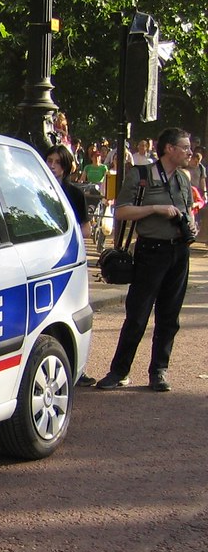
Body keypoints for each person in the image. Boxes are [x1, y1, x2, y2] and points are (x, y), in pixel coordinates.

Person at [96, 128, 198, 392]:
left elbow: (186, 211)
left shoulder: (183, 179)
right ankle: (119, 371)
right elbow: (121, 211)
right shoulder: (141, 175)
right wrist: (155, 209)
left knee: (169, 316)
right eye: (185, 147)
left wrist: (190, 225)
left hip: (179, 252)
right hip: (151, 251)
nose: (190, 152)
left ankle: (159, 371)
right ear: (169, 149)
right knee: (138, 315)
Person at [45, 144, 95, 387]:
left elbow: (85, 229)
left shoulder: (74, 194)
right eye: (49, 161)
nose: (52, 166)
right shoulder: (37, 191)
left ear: (65, 167)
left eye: (57, 162)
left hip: (68, 256)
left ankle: (77, 366)